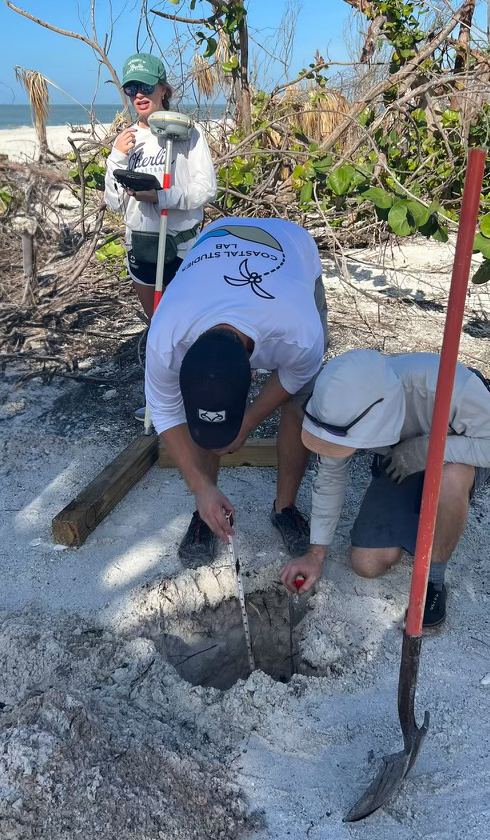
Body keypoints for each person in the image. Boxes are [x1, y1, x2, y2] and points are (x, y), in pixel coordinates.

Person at [279, 349, 490, 628]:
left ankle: (434, 580)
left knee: (452, 478)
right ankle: (423, 512)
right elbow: (330, 475)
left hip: (460, 446)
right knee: (367, 563)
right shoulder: (341, 399)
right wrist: (316, 554)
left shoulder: (448, 387)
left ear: (381, 414)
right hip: (398, 452)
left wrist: (430, 448)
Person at [145, 217, 327, 564]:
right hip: (217, 243)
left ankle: (285, 507)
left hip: (292, 246)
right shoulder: (165, 339)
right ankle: (204, 513)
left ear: (253, 371)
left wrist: (246, 422)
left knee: (300, 403)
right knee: (210, 417)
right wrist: (201, 488)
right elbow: (166, 411)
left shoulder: (298, 332)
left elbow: (293, 379)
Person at [105, 53, 217, 319]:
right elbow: (113, 203)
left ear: (163, 89)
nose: (139, 96)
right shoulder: (127, 139)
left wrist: (162, 197)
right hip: (140, 245)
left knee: (187, 322)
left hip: (181, 246)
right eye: (132, 89)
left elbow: (207, 188)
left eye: (146, 87)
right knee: (157, 323)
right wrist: (116, 157)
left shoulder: (190, 132)